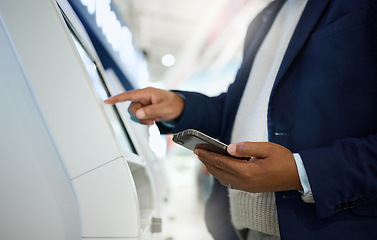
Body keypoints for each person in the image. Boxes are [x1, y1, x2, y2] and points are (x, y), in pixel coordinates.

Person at [105, 0, 377, 239]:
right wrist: (181, 107)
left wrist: (302, 172)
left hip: (332, 226)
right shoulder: (263, 20)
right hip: (241, 229)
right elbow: (235, 109)